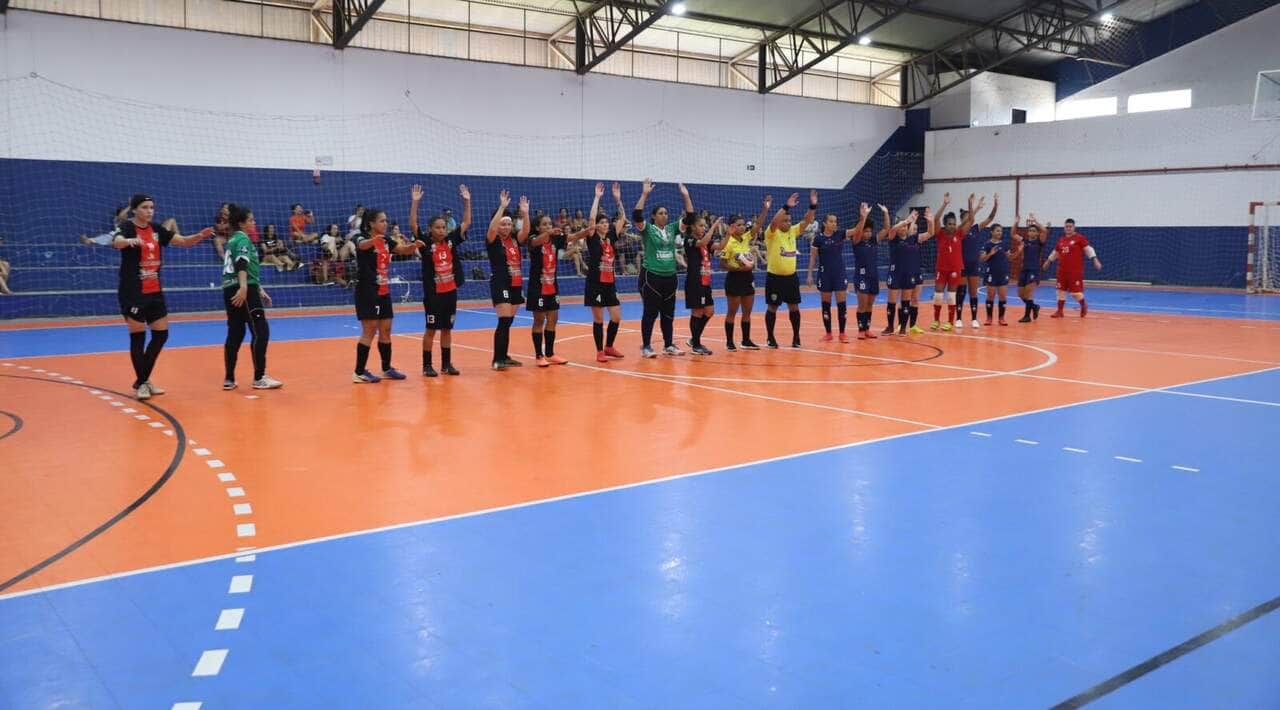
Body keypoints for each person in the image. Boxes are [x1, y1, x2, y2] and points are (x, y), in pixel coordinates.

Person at [113, 193, 213, 399]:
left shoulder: (157, 229)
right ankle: (142, 383)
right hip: (133, 291)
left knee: (161, 335)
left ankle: (142, 378)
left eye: (151, 207)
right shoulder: (127, 227)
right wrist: (131, 241)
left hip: (155, 290)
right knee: (138, 336)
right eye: (144, 207)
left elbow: (184, 241)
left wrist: (200, 235)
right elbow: (118, 242)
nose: (149, 211)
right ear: (134, 210)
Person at [351, 208, 424, 383]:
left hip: (383, 289)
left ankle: (386, 368)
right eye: (382, 221)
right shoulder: (360, 237)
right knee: (369, 330)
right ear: (371, 223)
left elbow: (403, 250)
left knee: (386, 330)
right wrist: (373, 241)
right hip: (367, 290)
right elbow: (361, 245)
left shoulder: (386, 240)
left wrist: (414, 246)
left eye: (386, 220)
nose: (386, 223)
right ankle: (359, 372)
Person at [526, 188, 594, 367]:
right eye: (545, 224)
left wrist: (587, 231)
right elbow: (535, 242)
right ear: (538, 227)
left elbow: (573, 236)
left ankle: (550, 353)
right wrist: (549, 233)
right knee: (539, 320)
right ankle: (538, 355)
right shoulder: (534, 239)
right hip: (537, 286)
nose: (548, 227)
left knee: (553, 318)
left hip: (552, 286)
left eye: (549, 224)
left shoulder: (556, 239)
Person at [410, 183, 471, 377]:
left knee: (447, 329)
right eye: (437, 227)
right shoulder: (425, 243)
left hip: (450, 292)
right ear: (430, 229)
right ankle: (427, 365)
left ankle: (446, 364)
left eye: (444, 227)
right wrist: (415, 203)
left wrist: (467, 202)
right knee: (431, 329)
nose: (442, 230)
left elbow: (466, 223)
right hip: (433, 294)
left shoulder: (451, 241)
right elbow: (413, 225)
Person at [221, 204, 282, 390]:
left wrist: (258, 288)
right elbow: (241, 263)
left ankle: (229, 379)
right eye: (251, 220)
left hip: (230, 288)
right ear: (241, 223)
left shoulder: (232, 240)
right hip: (243, 289)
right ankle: (259, 377)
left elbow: (245, 267)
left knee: (235, 333)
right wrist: (245, 287)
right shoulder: (243, 240)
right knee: (261, 331)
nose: (254, 223)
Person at [632, 179, 694, 358]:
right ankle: (646, 346)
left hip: (670, 277)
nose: (664, 215)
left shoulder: (672, 228)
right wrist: (645, 194)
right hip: (651, 276)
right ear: (653, 216)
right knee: (650, 312)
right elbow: (636, 215)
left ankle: (668, 345)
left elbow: (689, 217)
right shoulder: (648, 229)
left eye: (666, 213)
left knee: (668, 313)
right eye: (661, 213)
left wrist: (686, 195)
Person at [763, 191, 817, 348]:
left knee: (794, 307)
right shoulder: (771, 233)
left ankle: (796, 337)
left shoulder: (793, 231)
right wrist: (786, 206)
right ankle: (770, 338)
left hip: (791, 278)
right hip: (775, 278)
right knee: (772, 307)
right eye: (784, 220)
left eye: (789, 220)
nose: (787, 222)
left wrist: (813, 205)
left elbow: (807, 220)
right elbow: (773, 221)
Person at [486, 191, 532, 370]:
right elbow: (491, 229)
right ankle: (497, 359)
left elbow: (526, 231)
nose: (506, 227)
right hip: (500, 283)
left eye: (509, 224)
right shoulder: (493, 240)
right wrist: (502, 207)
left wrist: (526, 213)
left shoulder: (514, 240)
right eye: (503, 224)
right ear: (497, 225)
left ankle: (504, 356)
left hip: (516, 283)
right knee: (504, 320)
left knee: (509, 322)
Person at [585, 184, 629, 363]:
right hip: (595, 283)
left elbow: (623, 218)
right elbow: (590, 219)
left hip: (610, 283)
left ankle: (609, 346)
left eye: (605, 222)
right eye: (601, 222)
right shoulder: (592, 237)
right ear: (597, 225)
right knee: (598, 320)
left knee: (616, 317)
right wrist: (597, 197)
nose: (604, 224)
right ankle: (599, 351)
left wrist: (618, 199)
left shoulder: (611, 236)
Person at [720, 198, 772, 351]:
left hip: (747, 278)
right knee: (732, 312)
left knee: (747, 312)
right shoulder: (728, 242)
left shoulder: (746, 238)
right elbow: (722, 265)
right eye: (739, 225)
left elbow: (758, 226)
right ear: (732, 227)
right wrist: (739, 269)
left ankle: (746, 340)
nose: (743, 227)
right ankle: (730, 342)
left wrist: (765, 209)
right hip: (735, 278)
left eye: (744, 224)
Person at [804, 204, 861, 342]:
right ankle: (828, 333)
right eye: (831, 221)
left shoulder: (840, 234)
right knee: (826, 305)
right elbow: (813, 257)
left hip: (839, 274)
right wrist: (810, 274)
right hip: (824, 275)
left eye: (835, 221)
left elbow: (857, 229)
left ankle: (842, 333)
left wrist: (863, 216)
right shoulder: (818, 239)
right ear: (824, 223)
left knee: (842, 304)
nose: (834, 223)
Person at [931, 192, 979, 331]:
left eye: (954, 224)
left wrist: (970, 203)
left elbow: (971, 218)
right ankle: (936, 320)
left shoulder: (959, 234)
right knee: (938, 294)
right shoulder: (940, 234)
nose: (952, 226)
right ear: (945, 225)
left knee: (951, 296)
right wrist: (945, 203)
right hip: (941, 269)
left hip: (955, 269)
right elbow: (936, 218)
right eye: (949, 224)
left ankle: (950, 322)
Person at [882, 205, 932, 336]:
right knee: (891, 301)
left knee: (906, 301)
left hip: (908, 274)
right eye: (901, 226)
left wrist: (930, 221)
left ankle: (903, 327)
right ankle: (890, 327)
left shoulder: (913, 238)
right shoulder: (893, 239)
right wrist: (906, 221)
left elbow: (930, 233)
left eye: (905, 226)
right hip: (895, 274)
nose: (903, 228)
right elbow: (892, 229)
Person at [1043, 218, 1102, 318]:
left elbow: (1089, 249)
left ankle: (1083, 305)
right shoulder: (1061, 240)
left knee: (1075, 293)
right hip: (1061, 271)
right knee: (1060, 290)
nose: (1068, 228)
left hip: (1074, 271)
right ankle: (1060, 311)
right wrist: (1048, 261)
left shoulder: (1079, 238)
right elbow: (1055, 252)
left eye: (1070, 226)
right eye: (1066, 226)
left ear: (1074, 227)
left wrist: (1095, 259)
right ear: (1064, 228)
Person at [955, 193, 998, 329]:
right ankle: (958, 318)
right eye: (967, 218)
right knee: (961, 292)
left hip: (974, 265)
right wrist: (972, 204)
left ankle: (974, 319)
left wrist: (995, 204)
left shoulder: (976, 229)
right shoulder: (959, 231)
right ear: (962, 220)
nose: (971, 219)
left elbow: (990, 218)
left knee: (973, 293)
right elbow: (971, 219)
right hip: (962, 265)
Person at [683, 205, 721, 356]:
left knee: (710, 311)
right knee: (697, 312)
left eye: (705, 226)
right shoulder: (690, 240)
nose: (703, 228)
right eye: (701, 225)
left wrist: (729, 235)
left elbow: (720, 246)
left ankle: (694, 339)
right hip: (694, 282)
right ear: (692, 227)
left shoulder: (706, 242)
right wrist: (713, 228)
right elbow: (703, 242)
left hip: (705, 281)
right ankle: (696, 345)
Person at [849, 203, 881, 340]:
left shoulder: (874, 241)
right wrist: (863, 217)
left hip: (873, 276)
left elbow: (886, 229)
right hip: (861, 277)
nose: (867, 233)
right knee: (862, 305)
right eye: (865, 231)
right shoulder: (856, 242)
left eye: (869, 231)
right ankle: (860, 330)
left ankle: (867, 329)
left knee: (869, 305)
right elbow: (857, 232)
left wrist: (885, 213)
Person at [1012, 213, 1048, 322]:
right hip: (1024, 270)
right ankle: (1034, 307)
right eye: (1030, 230)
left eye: (1034, 231)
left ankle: (1027, 316)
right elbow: (1013, 233)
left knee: (1028, 293)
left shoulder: (1039, 242)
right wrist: (1016, 222)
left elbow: (1045, 231)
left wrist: (1035, 221)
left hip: (1034, 270)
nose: (1031, 232)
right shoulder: (1024, 241)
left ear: (1037, 233)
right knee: (1020, 294)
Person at [979, 223, 1011, 326]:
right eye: (997, 230)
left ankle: (1001, 318)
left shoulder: (1005, 244)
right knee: (990, 296)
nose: (999, 233)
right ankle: (989, 318)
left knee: (1002, 297)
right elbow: (982, 259)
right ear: (991, 232)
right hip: (991, 274)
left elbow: (1009, 257)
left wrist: (1018, 252)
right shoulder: (986, 244)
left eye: (1001, 231)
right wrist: (990, 253)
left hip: (1003, 273)